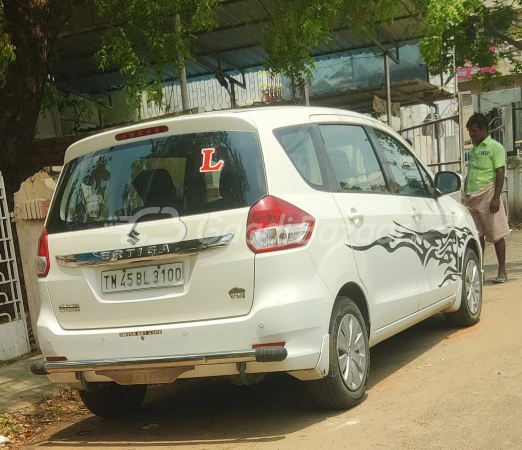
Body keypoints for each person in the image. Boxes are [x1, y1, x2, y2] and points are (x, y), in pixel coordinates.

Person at [464, 113, 510, 283]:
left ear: (483, 130)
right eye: (470, 132)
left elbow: (500, 171)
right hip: (472, 197)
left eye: (474, 131)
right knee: (477, 236)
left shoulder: (495, 147)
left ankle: (502, 272)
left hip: (489, 195)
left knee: (497, 234)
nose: (472, 135)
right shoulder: (473, 149)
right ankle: (479, 271)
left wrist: (496, 198)